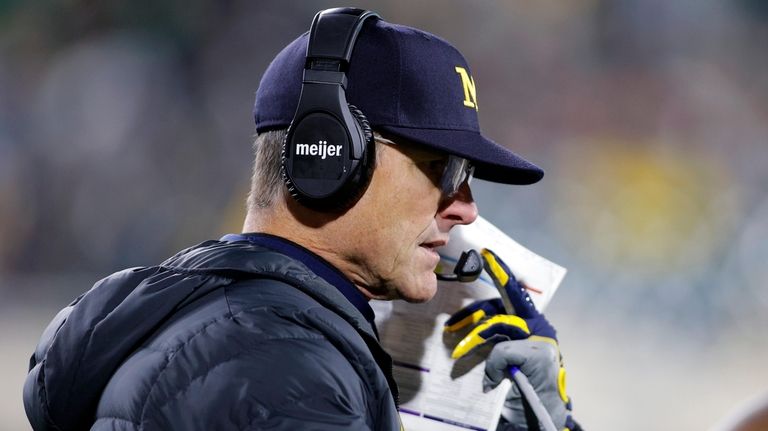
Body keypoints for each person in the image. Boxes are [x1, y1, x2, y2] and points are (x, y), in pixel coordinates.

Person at [23, 8, 578, 431]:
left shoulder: (244, 336)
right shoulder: (276, 370)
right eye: (443, 168)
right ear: (330, 155)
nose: (465, 207)